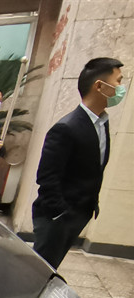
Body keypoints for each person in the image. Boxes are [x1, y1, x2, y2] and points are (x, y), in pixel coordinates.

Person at [32, 57, 125, 268]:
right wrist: (61, 214)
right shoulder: (66, 128)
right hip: (58, 218)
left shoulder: (101, 123)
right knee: (39, 270)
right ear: (99, 86)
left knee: (51, 268)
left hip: (80, 213)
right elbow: (47, 177)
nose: (121, 88)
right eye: (118, 81)